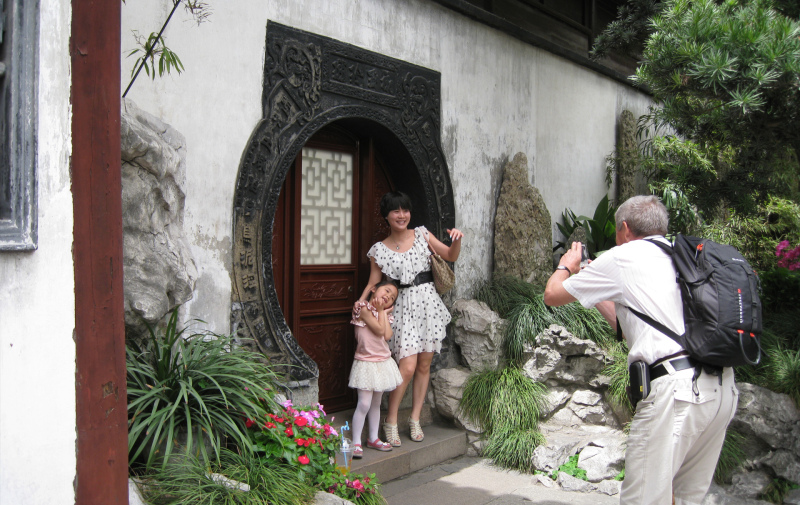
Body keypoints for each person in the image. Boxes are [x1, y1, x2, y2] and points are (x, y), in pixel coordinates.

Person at [543, 195, 738, 505]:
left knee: (643, 500)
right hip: (720, 389)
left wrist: (566, 266)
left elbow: (552, 294)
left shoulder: (624, 256)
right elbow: (626, 326)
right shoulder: (682, 256)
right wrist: (589, 283)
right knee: (684, 498)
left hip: (675, 393)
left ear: (623, 228)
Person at [359, 191, 463, 446]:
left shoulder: (422, 234)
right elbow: (374, 282)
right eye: (396, 211)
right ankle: (391, 420)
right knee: (405, 368)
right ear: (386, 216)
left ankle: (415, 418)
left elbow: (450, 255)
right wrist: (361, 303)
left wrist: (457, 240)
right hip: (402, 305)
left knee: (424, 365)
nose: (402, 215)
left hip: (427, 303)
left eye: (405, 210)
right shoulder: (379, 250)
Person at [348, 279, 404, 458]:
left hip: (382, 363)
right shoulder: (363, 309)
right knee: (364, 403)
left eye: (392, 296)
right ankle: (356, 441)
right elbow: (379, 331)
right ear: (373, 289)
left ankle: (373, 437)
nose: (388, 296)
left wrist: (383, 313)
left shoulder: (384, 314)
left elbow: (387, 335)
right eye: (386, 291)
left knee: (376, 403)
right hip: (366, 362)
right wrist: (381, 311)